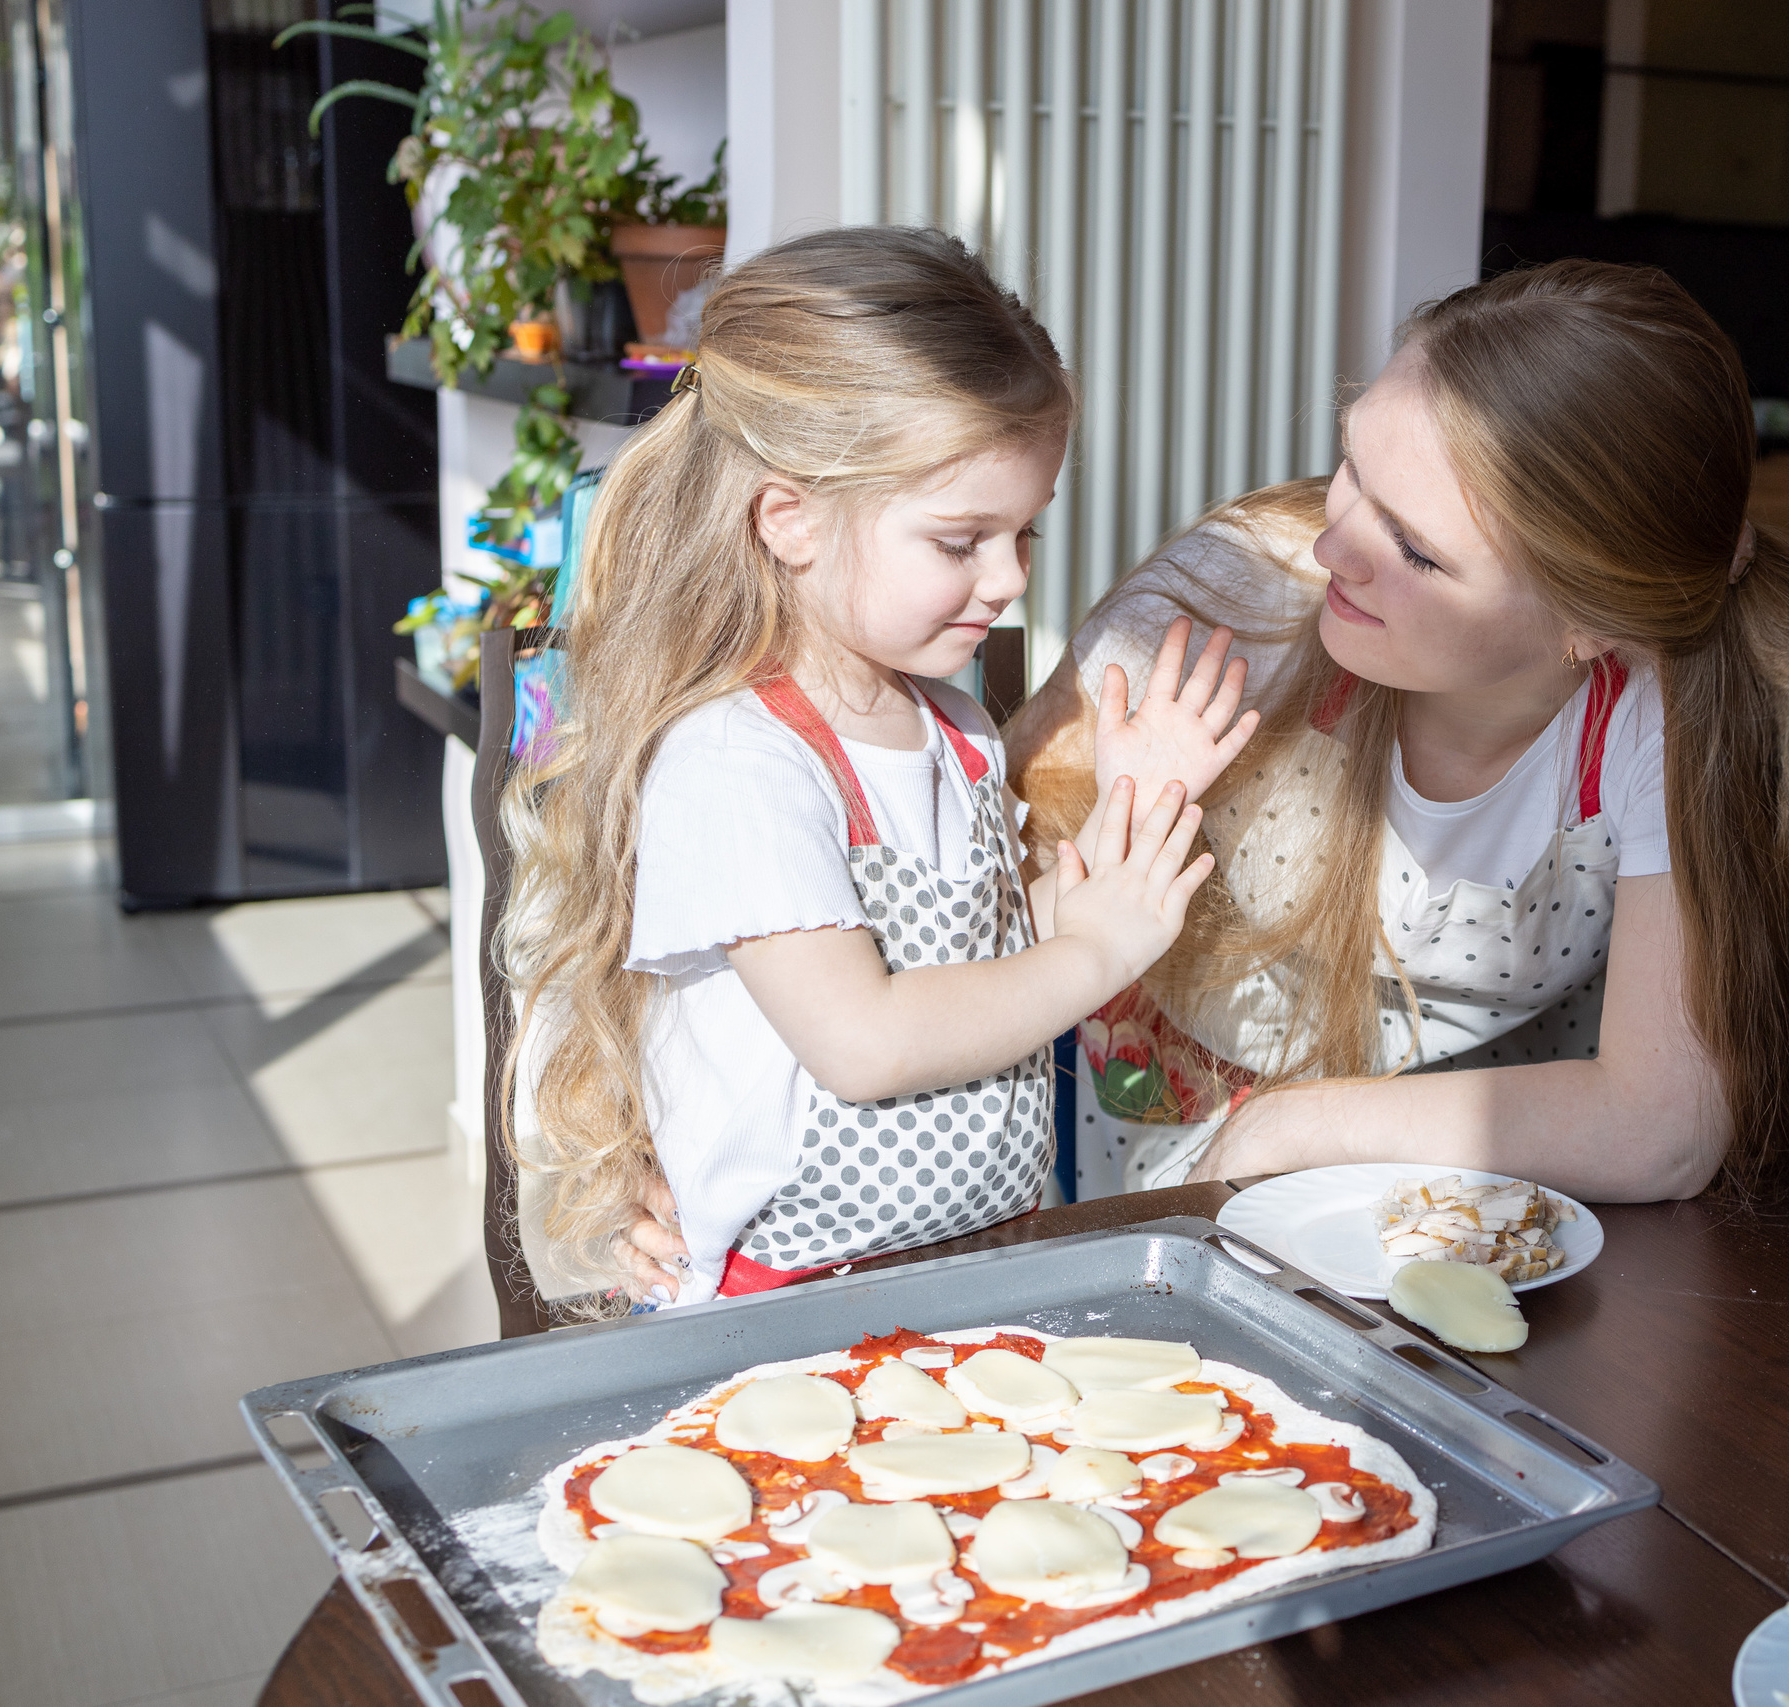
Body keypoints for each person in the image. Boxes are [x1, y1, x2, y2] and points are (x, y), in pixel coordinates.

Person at [1009, 259, 1789, 1203]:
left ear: (1589, 627)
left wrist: (1304, 1123)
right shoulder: (1238, 603)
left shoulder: (1655, 713)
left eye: (1414, 548)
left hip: (1440, 1155)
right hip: (1159, 1107)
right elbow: (998, 896)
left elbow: (1663, 1128)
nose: (1333, 544)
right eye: (1351, 464)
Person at [500, 228, 1254, 1311]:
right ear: (790, 520)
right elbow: (864, 1041)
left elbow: (987, 951)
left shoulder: (950, 725)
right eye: (961, 541)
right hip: (791, 1294)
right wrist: (1098, 952)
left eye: (1025, 535)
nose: (1006, 579)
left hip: (973, 1253)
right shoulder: (737, 759)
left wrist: (1123, 821)